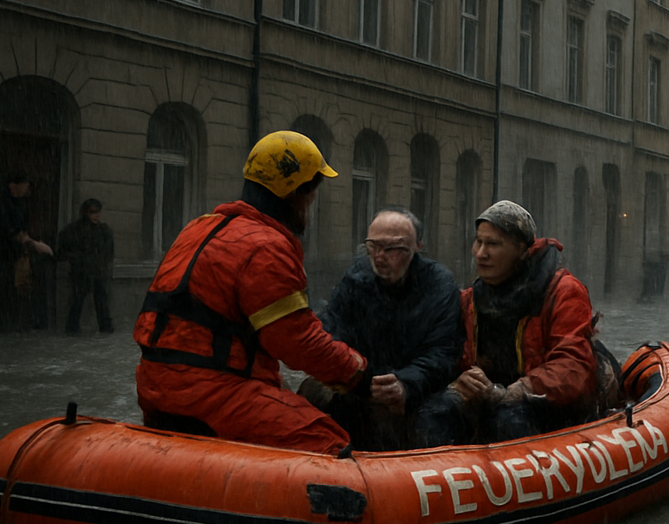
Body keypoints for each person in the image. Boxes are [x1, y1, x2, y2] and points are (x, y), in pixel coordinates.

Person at [133, 131, 371, 454]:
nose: (310, 210)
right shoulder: (267, 248)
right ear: (295, 194)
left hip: (157, 384)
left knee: (284, 392)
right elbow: (298, 343)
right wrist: (359, 374)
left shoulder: (200, 227)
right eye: (311, 198)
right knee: (329, 442)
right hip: (205, 392)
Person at [303, 208, 464, 450]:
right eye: (372, 246)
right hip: (361, 380)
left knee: (431, 418)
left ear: (416, 247)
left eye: (391, 249)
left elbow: (442, 353)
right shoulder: (357, 277)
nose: (379, 257)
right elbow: (332, 332)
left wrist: (405, 384)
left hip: (417, 388)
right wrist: (354, 375)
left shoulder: (439, 284)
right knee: (313, 394)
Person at [443, 201, 600, 442]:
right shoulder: (470, 300)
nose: (480, 253)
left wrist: (523, 389)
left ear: (522, 249)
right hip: (490, 402)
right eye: (478, 242)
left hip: (548, 409)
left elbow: (574, 365)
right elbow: (451, 354)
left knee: (508, 419)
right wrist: (462, 381)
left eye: (493, 244)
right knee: (438, 412)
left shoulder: (564, 292)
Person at [0, 171, 54, 334]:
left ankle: (12, 325)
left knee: (16, 290)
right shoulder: (1, 203)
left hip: (14, 255)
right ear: (15, 185)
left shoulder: (19, 203)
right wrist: (32, 243)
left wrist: (29, 241)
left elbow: (19, 229)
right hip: (1, 255)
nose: (27, 190)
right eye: (26, 186)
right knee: (2, 290)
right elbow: (6, 229)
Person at [56, 198, 115, 334]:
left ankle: (105, 330)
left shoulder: (104, 231)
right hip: (81, 272)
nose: (97, 216)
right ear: (85, 213)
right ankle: (72, 330)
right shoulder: (73, 230)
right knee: (77, 302)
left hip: (98, 272)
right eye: (93, 212)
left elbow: (109, 252)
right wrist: (75, 258)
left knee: (102, 304)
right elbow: (62, 251)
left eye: (98, 212)